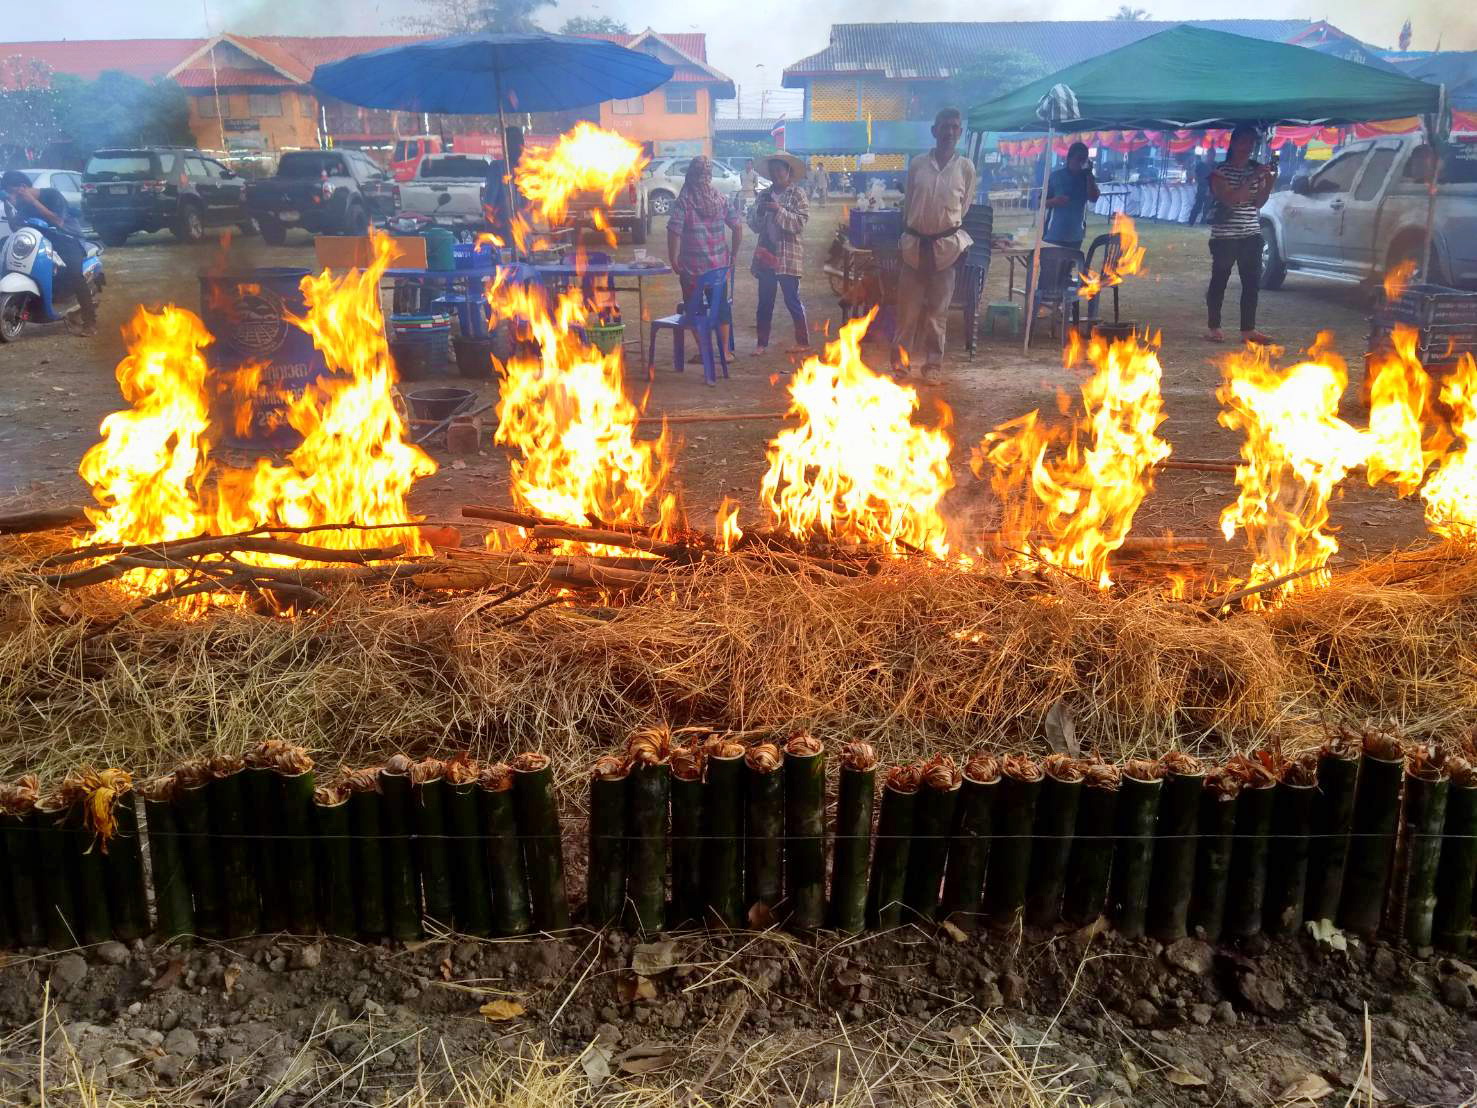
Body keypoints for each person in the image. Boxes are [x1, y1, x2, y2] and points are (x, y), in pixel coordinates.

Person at [893, 107, 977, 381]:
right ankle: (901, 365)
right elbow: (909, 204)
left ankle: (932, 366)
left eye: (954, 127)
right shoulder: (917, 164)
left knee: (937, 315)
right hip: (914, 248)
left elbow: (962, 209)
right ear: (934, 130)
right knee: (907, 312)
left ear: (960, 132)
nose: (949, 131)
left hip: (946, 250)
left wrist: (942, 229)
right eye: (944, 126)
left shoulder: (965, 168)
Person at [666, 156, 742, 370]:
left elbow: (674, 231)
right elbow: (737, 226)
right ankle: (725, 352)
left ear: (690, 175)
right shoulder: (720, 198)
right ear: (708, 176)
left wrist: (673, 257)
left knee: (694, 309)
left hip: (692, 270)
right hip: (718, 268)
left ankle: (704, 351)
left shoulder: (685, 200)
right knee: (721, 308)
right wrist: (733, 255)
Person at [1, 169, 96, 335]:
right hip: (41, 241)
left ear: (22, 187)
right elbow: (16, 227)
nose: (11, 196)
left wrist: (32, 201)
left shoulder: (52, 195)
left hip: (68, 239)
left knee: (75, 275)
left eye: (11, 192)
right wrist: (9, 210)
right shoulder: (22, 205)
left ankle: (90, 322)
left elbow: (57, 221)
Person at [1205, 124, 1275, 344]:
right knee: (1219, 281)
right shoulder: (1221, 171)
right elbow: (1231, 199)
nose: (1248, 147)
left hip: (1250, 234)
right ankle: (1214, 327)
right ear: (1233, 143)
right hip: (1225, 236)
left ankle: (1248, 329)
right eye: (1243, 142)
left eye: (1251, 143)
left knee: (1251, 283)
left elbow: (1258, 203)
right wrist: (1254, 177)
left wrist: (1268, 183)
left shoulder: (1255, 170)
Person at [747, 152, 810, 357]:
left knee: (792, 299)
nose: (776, 174)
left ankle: (803, 342)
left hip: (788, 255)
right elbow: (754, 226)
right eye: (773, 171)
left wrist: (778, 210)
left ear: (788, 172)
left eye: (780, 170)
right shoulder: (764, 195)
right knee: (764, 301)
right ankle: (761, 344)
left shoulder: (797, 194)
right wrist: (759, 213)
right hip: (766, 255)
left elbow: (799, 223)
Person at [1042, 141, 1099, 251]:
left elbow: (1093, 198)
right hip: (1054, 234)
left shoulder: (1087, 178)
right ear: (1069, 158)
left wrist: (1089, 175)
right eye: (1079, 158)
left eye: (1085, 159)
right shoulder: (1056, 176)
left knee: (1068, 267)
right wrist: (1054, 201)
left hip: (1075, 236)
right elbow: (1040, 202)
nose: (1082, 162)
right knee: (1050, 267)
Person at [481, 125, 526, 247]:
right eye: (516, 143)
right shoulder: (498, 168)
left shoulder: (524, 170)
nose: (520, 148)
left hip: (520, 231)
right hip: (502, 231)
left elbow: (527, 205)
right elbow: (489, 204)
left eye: (520, 143)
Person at [1187, 151, 1216, 225]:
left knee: (1208, 206)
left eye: (1213, 155)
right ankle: (1191, 221)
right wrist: (1200, 182)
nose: (1211, 157)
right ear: (1207, 155)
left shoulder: (1215, 165)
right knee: (1198, 205)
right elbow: (1196, 175)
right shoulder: (1201, 165)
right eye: (1210, 155)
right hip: (1202, 187)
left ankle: (1203, 221)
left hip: (1211, 187)